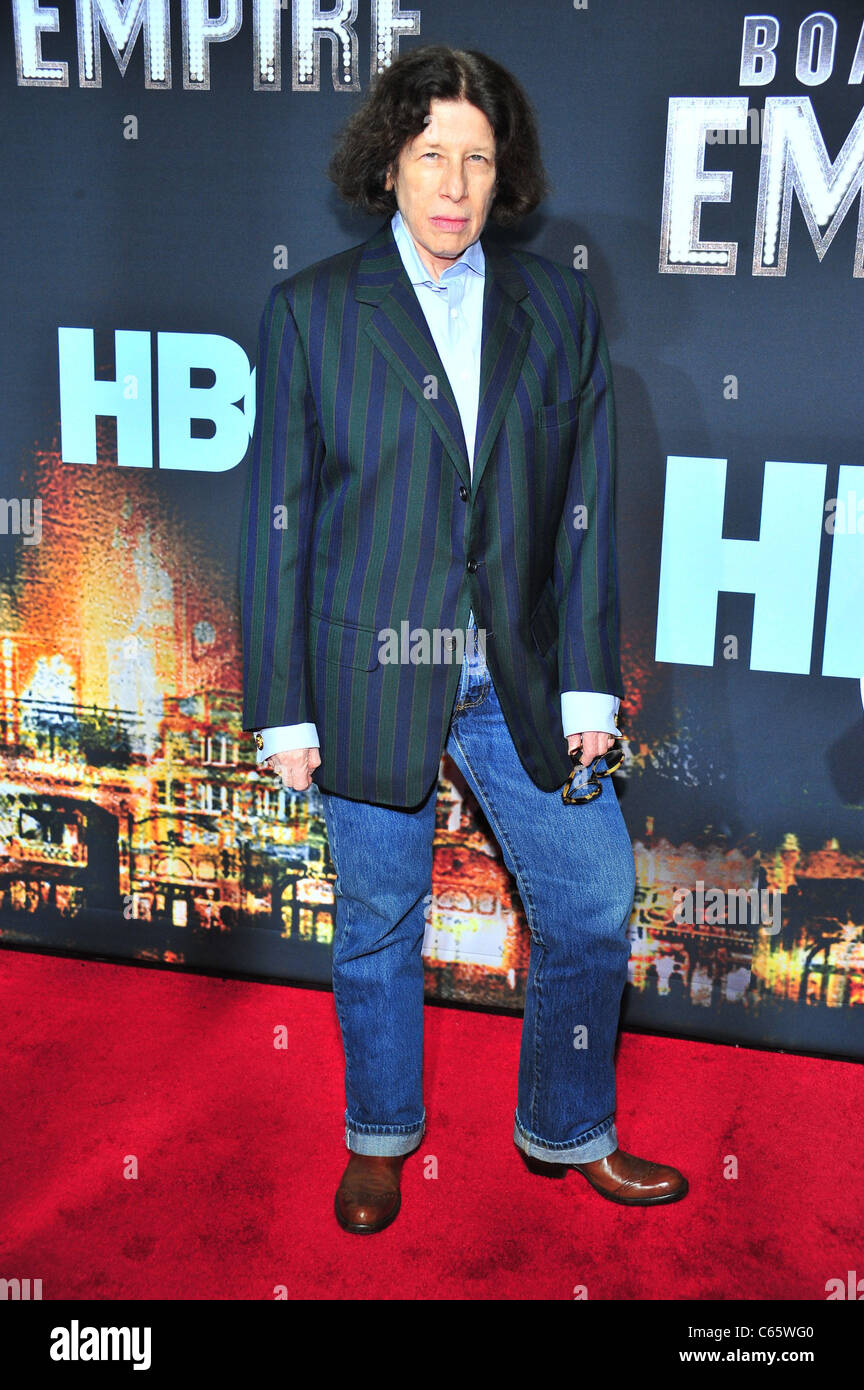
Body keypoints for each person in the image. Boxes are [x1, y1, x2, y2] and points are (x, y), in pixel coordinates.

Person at [240, 44, 687, 1234]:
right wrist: (283, 707)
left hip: (521, 674)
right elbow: (279, 517)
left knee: (592, 902)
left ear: (506, 176)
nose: (454, 183)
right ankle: (381, 1136)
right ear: (388, 163)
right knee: (377, 920)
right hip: (365, 672)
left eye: (478, 159)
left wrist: (591, 687)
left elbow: (584, 517)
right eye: (432, 154)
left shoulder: (556, 308)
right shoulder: (312, 312)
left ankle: (567, 1128)